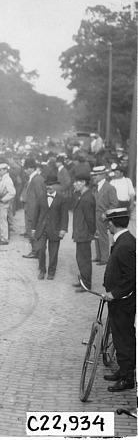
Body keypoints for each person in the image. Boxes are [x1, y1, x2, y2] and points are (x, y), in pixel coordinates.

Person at [99, 208, 135, 392]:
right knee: (119, 336)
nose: (107, 225)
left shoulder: (125, 244)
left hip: (123, 301)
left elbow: (131, 276)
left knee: (124, 337)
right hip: (119, 301)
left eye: (108, 222)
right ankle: (123, 371)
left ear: (112, 223)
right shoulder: (123, 240)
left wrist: (115, 293)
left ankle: (128, 378)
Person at [31, 175, 69, 280]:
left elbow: (64, 216)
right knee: (40, 249)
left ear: (56, 186)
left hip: (55, 230)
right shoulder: (40, 198)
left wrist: (63, 229)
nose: (49, 187)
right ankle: (42, 270)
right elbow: (35, 214)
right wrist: (33, 228)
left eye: (51, 185)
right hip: (41, 229)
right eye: (47, 185)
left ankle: (51, 272)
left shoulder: (62, 199)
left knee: (53, 252)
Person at [72, 173, 96, 291]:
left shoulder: (87, 197)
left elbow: (90, 218)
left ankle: (86, 284)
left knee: (84, 259)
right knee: (81, 258)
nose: (74, 184)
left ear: (83, 183)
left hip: (84, 234)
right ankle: (83, 281)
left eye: (77, 182)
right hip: (81, 233)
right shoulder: (83, 195)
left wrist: (93, 232)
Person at [91, 166, 118, 266]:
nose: (94, 177)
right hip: (95, 215)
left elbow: (114, 203)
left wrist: (106, 214)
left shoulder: (109, 188)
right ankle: (99, 256)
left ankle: (105, 258)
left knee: (103, 236)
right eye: (94, 175)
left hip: (102, 216)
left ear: (103, 175)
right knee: (96, 235)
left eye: (96, 175)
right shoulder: (96, 187)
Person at [21, 158, 45, 259]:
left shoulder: (37, 179)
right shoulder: (33, 178)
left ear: (31, 168)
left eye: (26, 169)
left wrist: (38, 211)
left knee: (34, 231)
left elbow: (40, 196)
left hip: (34, 211)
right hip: (31, 209)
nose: (25, 171)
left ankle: (36, 251)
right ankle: (35, 250)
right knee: (32, 231)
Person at [0, 163, 16, 245]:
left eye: (1, 170)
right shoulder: (3, 179)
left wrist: (3, 199)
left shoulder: (7, 180)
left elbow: (12, 192)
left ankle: (4, 239)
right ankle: (1, 237)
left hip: (3, 203)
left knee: (3, 221)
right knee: (0, 220)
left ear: (5, 170)